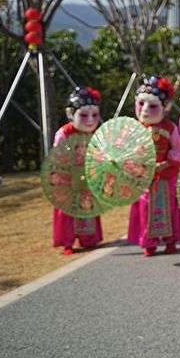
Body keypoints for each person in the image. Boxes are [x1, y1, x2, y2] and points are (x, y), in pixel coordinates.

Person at [127, 75, 180, 256]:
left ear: (166, 108)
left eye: (153, 106)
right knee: (144, 209)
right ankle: (149, 243)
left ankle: (170, 241)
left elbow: (178, 151)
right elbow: (127, 152)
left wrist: (165, 163)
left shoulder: (170, 128)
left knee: (169, 208)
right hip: (144, 178)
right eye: (141, 104)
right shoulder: (134, 128)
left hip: (166, 176)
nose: (146, 110)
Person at [52, 87, 104, 255]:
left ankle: (89, 239)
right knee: (68, 211)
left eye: (94, 115)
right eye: (83, 115)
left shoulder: (96, 133)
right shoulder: (64, 133)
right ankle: (67, 242)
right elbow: (58, 157)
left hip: (88, 177)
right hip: (69, 179)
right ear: (70, 114)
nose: (90, 120)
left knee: (88, 208)